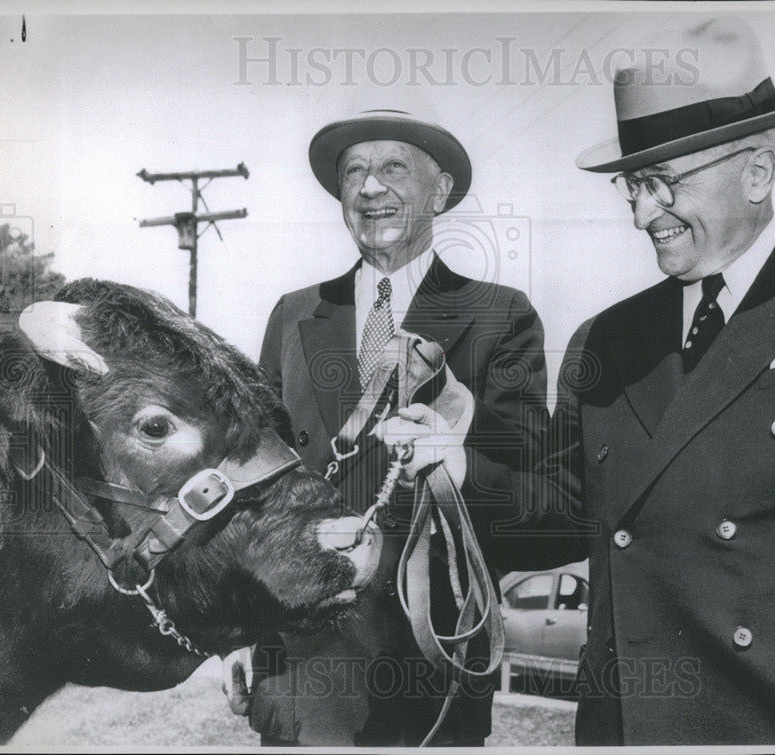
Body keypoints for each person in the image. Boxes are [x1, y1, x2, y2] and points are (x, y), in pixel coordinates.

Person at [382, 16, 775, 746]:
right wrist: (458, 461)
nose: (642, 214)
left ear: (758, 170)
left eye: (664, 183)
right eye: (632, 186)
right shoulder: (606, 341)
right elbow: (564, 514)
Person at [224, 101, 548, 747]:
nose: (371, 187)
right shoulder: (292, 316)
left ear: (441, 190)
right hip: (302, 661)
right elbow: (251, 486)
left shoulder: (499, 316)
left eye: (394, 167)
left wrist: (459, 438)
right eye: (354, 172)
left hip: (430, 661)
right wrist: (236, 630)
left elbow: (530, 483)